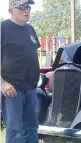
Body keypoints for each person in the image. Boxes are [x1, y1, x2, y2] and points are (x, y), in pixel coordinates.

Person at [1, 0, 40, 142]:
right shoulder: (3, 28)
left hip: (31, 87)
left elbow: (32, 55)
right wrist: (2, 84)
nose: (27, 10)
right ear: (11, 10)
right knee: (15, 131)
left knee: (32, 128)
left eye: (28, 7)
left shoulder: (30, 29)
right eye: (22, 7)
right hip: (12, 89)